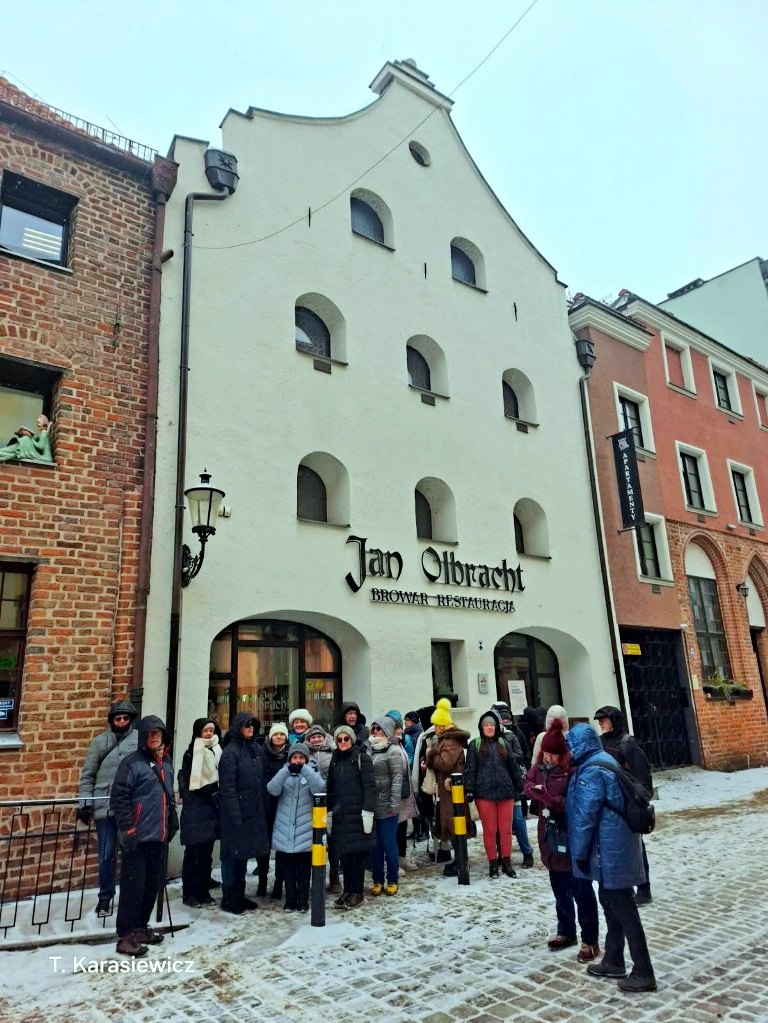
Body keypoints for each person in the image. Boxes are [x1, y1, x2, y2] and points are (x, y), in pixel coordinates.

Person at [566, 723, 656, 993]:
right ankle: (614, 959)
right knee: (611, 900)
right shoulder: (602, 759)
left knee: (622, 906)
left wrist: (578, 854)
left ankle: (643, 971)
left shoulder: (591, 770)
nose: (568, 750)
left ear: (579, 745)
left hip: (609, 848)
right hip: (616, 844)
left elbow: (585, 817)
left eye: (571, 744)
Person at [524, 720, 600, 962]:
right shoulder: (539, 768)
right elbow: (527, 782)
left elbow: (574, 802)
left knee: (581, 889)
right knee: (559, 889)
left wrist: (550, 799)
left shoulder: (572, 771)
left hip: (571, 835)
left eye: (552, 754)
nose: (548, 757)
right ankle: (566, 931)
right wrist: (535, 792)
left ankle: (590, 939)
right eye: (545, 753)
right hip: (550, 835)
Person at [109, 715, 177, 958]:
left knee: (151, 886)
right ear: (143, 737)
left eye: (158, 733)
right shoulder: (132, 763)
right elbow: (119, 797)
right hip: (137, 836)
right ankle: (125, 935)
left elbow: (167, 795)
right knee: (133, 887)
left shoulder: (166, 761)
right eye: (150, 734)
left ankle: (140, 928)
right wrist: (128, 828)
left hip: (158, 835)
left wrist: (171, 819)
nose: (154, 738)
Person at [77, 700, 139, 916]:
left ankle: (130, 896)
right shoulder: (99, 742)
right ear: (112, 720)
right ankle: (105, 896)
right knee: (106, 855)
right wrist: (85, 803)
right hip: (104, 805)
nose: (121, 722)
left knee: (131, 852)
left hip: (129, 807)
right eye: (117, 718)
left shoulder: (138, 740)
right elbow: (88, 775)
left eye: (125, 718)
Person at [594, 705, 654, 905]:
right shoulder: (600, 743)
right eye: (599, 721)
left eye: (604, 720)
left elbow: (641, 774)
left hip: (628, 801)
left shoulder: (628, 743)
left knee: (635, 846)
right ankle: (623, 885)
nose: (601, 724)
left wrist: (639, 799)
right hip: (608, 803)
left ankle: (644, 887)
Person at [218, 713, 269, 914]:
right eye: (247, 725)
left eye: (253, 725)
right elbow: (228, 788)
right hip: (235, 815)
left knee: (243, 855)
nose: (250, 728)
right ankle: (229, 897)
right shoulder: (230, 752)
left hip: (252, 811)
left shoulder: (255, 748)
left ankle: (239, 894)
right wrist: (235, 814)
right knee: (231, 856)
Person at [267, 742, 326, 912]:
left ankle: (303, 900)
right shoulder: (283, 773)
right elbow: (272, 789)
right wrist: (286, 771)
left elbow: (319, 788)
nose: (297, 760)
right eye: (294, 757)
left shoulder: (312, 773)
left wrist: (304, 770)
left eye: (301, 758)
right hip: (285, 831)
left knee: (304, 872)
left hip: (304, 832)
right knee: (288, 872)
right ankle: (290, 900)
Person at [465, 709, 523, 878]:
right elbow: (470, 769)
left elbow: (513, 766)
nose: (489, 727)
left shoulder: (503, 743)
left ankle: (506, 862)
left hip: (506, 792)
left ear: (496, 727)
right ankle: (492, 864)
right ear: (481, 727)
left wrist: (519, 785)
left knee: (506, 830)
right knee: (490, 830)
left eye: (492, 725)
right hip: (484, 794)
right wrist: (469, 790)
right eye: (486, 725)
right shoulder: (475, 745)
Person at [326, 724, 376, 909]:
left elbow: (370, 787)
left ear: (352, 740)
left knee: (357, 856)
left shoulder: (362, 758)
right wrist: (329, 811)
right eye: (339, 739)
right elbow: (331, 787)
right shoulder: (335, 760)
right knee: (345, 856)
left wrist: (368, 812)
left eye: (346, 738)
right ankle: (348, 891)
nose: (342, 742)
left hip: (358, 815)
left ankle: (357, 892)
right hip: (341, 816)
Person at [424, 699, 472, 877]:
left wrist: (431, 753)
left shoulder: (450, 741)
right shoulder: (448, 739)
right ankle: (459, 861)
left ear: (443, 725)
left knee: (455, 826)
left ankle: (461, 863)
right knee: (453, 827)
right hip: (449, 791)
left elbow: (445, 763)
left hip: (452, 791)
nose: (435, 729)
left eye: (437, 725)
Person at [178, 718, 221, 908]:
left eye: (211, 730)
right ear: (198, 732)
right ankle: (190, 893)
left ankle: (203, 891)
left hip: (212, 808)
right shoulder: (191, 753)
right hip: (196, 809)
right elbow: (188, 781)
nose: (209, 733)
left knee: (206, 854)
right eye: (206, 730)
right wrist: (208, 791)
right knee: (193, 855)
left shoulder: (217, 749)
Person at [365, 716, 404, 895]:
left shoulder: (393, 751)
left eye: (378, 728)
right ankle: (377, 880)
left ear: (386, 731)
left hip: (388, 804)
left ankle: (393, 879)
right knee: (375, 846)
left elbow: (397, 778)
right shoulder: (368, 749)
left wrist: (394, 803)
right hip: (372, 805)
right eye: (373, 728)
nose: (375, 732)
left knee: (389, 844)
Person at [255, 722, 289, 898]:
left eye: (282, 734)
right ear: (270, 737)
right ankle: (262, 880)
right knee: (264, 846)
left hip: (284, 805)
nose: (278, 737)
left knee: (282, 848)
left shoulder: (290, 754)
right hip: (265, 805)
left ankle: (278, 882)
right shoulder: (262, 754)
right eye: (275, 734)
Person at [385, 710, 418, 872]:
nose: (401, 730)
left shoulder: (401, 743)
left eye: (400, 727)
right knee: (392, 829)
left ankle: (402, 858)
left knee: (402, 826)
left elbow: (409, 759)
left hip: (404, 792)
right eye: (397, 728)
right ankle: (393, 862)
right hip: (392, 793)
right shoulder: (386, 746)